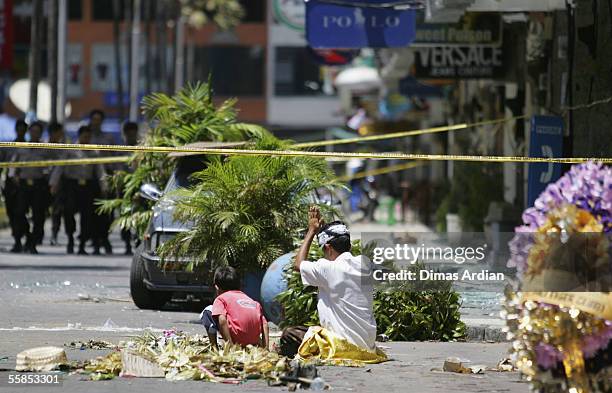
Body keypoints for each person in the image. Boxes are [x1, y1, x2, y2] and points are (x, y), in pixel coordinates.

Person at [280, 206, 377, 357]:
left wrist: (311, 231)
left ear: (328, 248)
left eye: (323, 251)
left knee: (289, 334)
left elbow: (298, 264)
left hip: (343, 345)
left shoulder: (327, 268)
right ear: (348, 246)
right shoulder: (364, 264)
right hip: (367, 346)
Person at [49, 125, 105, 255]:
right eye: (84, 136)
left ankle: (82, 244)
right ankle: (70, 239)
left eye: (88, 137)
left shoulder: (94, 152)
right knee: (68, 213)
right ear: (79, 136)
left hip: (87, 187)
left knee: (87, 217)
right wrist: (54, 183)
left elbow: (99, 170)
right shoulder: (70, 150)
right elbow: (60, 167)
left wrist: (104, 186)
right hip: (71, 186)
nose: (86, 139)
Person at [200, 266, 269, 350]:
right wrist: (266, 348)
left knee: (207, 311)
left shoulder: (221, 299)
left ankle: (214, 348)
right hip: (253, 342)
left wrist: (230, 347)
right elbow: (265, 325)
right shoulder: (252, 301)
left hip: (236, 340)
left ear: (217, 287)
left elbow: (222, 320)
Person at [12, 122, 52, 254]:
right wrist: (14, 176)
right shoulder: (21, 147)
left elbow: (53, 164)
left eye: (37, 131)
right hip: (23, 184)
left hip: (38, 185)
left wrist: (49, 177)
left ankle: (33, 242)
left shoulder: (45, 149)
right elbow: (13, 165)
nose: (35, 134)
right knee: (19, 212)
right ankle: (22, 237)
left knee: (38, 215)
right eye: (33, 131)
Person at [88, 109, 114, 255]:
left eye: (99, 119)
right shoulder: (86, 137)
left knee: (106, 212)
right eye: (94, 119)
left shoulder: (108, 138)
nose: (96, 122)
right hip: (89, 178)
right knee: (91, 212)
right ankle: (94, 241)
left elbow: (114, 159)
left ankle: (105, 238)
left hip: (106, 177)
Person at [1, 119, 28, 252]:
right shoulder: (8, 145)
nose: (21, 131)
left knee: (20, 211)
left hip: (25, 184)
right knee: (11, 212)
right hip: (10, 184)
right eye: (19, 128)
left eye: (23, 129)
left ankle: (23, 236)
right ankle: (17, 238)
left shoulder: (30, 146)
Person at [119, 121, 138, 255]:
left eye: (133, 133)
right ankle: (126, 242)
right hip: (124, 186)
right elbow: (117, 169)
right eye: (128, 133)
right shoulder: (120, 149)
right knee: (125, 214)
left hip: (139, 185)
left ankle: (137, 240)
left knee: (139, 213)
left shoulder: (141, 148)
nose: (131, 136)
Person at [47, 123, 66, 246]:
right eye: (59, 133)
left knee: (56, 210)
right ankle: (36, 235)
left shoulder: (63, 148)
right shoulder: (42, 145)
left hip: (57, 183)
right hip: (41, 182)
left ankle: (54, 233)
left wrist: (55, 183)